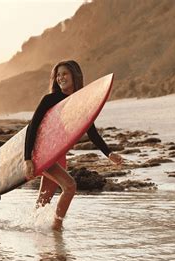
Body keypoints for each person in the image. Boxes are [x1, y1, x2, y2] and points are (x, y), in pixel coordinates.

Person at [24, 60, 123, 230]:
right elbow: (32, 127)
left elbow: (90, 130)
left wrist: (108, 153)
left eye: (65, 74)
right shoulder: (50, 99)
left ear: (74, 76)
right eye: (58, 75)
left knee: (43, 200)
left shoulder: (80, 102)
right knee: (70, 186)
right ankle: (56, 229)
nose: (60, 78)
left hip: (57, 154)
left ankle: (35, 234)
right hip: (41, 153)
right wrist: (27, 158)